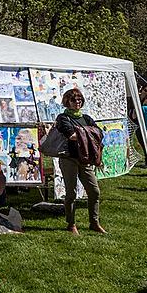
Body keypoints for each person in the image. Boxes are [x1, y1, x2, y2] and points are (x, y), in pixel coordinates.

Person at [41, 88, 105, 235]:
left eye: (79, 99)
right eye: (74, 100)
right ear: (67, 102)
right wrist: (89, 133)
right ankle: (71, 224)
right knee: (71, 193)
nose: (78, 102)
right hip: (69, 158)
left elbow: (99, 133)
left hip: (85, 158)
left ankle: (94, 222)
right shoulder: (63, 118)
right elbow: (72, 135)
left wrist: (85, 133)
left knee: (94, 191)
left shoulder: (86, 118)